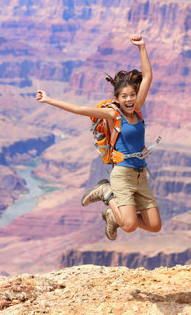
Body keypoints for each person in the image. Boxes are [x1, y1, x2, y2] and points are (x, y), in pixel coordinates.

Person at [36, 35, 161, 240]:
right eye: (124, 96)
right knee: (129, 226)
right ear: (117, 99)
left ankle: (114, 215)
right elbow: (78, 109)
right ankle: (107, 193)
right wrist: (49, 99)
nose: (129, 99)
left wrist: (142, 47)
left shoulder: (137, 110)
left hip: (141, 175)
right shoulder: (114, 115)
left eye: (132, 94)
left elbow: (148, 76)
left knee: (154, 226)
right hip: (122, 175)